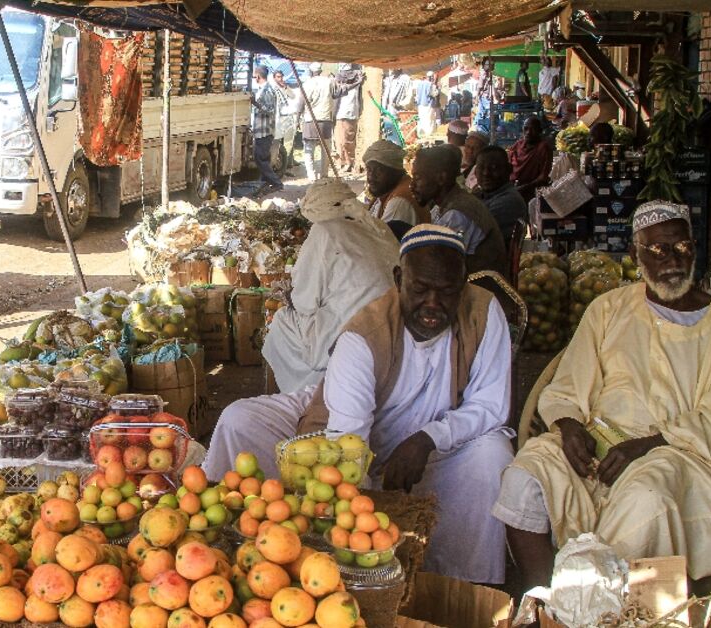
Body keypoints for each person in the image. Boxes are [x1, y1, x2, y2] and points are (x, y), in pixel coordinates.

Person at [205, 224, 515, 584]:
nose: (433, 304)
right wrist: (362, 525)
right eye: (420, 289)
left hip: (440, 439)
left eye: (446, 292)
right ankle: (233, 549)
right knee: (239, 419)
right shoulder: (364, 335)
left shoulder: (484, 311)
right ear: (399, 279)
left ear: (463, 285)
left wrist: (427, 438)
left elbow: (491, 405)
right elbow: (348, 443)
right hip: (342, 418)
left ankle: (463, 583)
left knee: (493, 454)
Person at [494, 201, 711, 589]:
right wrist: (568, 426)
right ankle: (545, 603)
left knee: (646, 497)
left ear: (694, 248)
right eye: (656, 250)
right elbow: (568, 385)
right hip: (598, 447)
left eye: (680, 247)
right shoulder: (608, 309)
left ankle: (606, 607)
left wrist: (647, 445)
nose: (671, 259)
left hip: (682, 456)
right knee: (526, 473)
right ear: (635, 256)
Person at [262, 179, 400, 393]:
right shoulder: (378, 225)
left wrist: (289, 296)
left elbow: (305, 302)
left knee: (280, 324)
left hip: (353, 330)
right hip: (393, 324)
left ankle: (295, 397)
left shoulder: (324, 230)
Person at [411, 145, 508, 276]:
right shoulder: (448, 204)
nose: (412, 185)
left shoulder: (457, 214)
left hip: (481, 292)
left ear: (441, 178)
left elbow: (440, 270)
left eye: (417, 178)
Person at [362, 140, 427, 238]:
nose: (371, 177)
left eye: (379, 170)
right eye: (369, 170)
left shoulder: (400, 201)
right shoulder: (386, 190)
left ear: (395, 171)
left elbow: (382, 242)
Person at [473, 146, 527, 250]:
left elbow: (472, 235)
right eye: (481, 168)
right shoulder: (485, 194)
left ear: (508, 170)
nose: (486, 173)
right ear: (475, 172)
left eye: (493, 168)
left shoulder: (509, 201)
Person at [297, 62, 341, 181]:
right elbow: (337, 94)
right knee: (325, 150)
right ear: (320, 71)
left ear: (311, 72)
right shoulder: (329, 81)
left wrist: (297, 118)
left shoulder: (307, 83)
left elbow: (301, 103)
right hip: (325, 120)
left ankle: (311, 176)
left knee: (308, 150)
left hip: (310, 120)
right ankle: (324, 174)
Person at [250, 65, 284, 194]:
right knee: (262, 158)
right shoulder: (262, 89)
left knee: (260, 158)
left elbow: (269, 110)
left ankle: (276, 182)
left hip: (265, 131)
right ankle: (263, 183)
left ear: (258, 76)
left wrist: (255, 103)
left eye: (254, 75)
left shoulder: (267, 90)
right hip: (261, 130)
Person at [509, 116, 553, 202]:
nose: (528, 132)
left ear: (540, 131)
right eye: (526, 129)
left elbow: (543, 177)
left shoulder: (543, 148)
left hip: (533, 193)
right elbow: (508, 167)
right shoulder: (517, 145)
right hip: (514, 189)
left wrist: (523, 187)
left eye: (533, 129)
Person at [333, 63, 365, 173]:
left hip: (350, 113)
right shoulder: (341, 83)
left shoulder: (357, 83)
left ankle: (349, 162)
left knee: (347, 141)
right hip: (339, 114)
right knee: (339, 141)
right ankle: (340, 162)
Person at [415, 70, 439, 138]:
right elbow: (433, 94)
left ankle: (421, 134)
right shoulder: (430, 84)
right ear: (431, 77)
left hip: (420, 105)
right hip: (428, 105)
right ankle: (429, 135)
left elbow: (417, 95)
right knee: (429, 120)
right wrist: (437, 90)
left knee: (422, 119)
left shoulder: (419, 84)